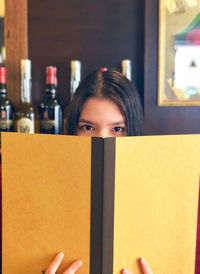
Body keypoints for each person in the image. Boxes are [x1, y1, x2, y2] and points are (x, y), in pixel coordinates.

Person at [45, 69, 153, 274]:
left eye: (118, 129)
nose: (102, 140)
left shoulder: (171, 192)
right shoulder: (37, 187)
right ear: (72, 131)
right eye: (87, 127)